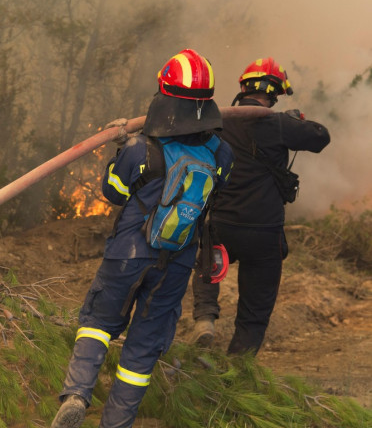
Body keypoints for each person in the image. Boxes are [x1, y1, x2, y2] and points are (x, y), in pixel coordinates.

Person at [50, 49, 234, 428]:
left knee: (98, 322)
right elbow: (218, 193)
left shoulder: (139, 149)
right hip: (178, 262)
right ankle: (116, 424)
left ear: (164, 96)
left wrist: (122, 147)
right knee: (144, 345)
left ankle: (76, 394)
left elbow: (113, 192)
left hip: (128, 253)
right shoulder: (222, 152)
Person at [190, 57, 331, 355]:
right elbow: (321, 137)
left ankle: (204, 319)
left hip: (223, 224)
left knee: (206, 267)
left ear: (243, 86)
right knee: (255, 310)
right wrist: (295, 122)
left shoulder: (218, 120)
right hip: (264, 232)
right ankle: (237, 372)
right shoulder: (277, 124)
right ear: (275, 93)